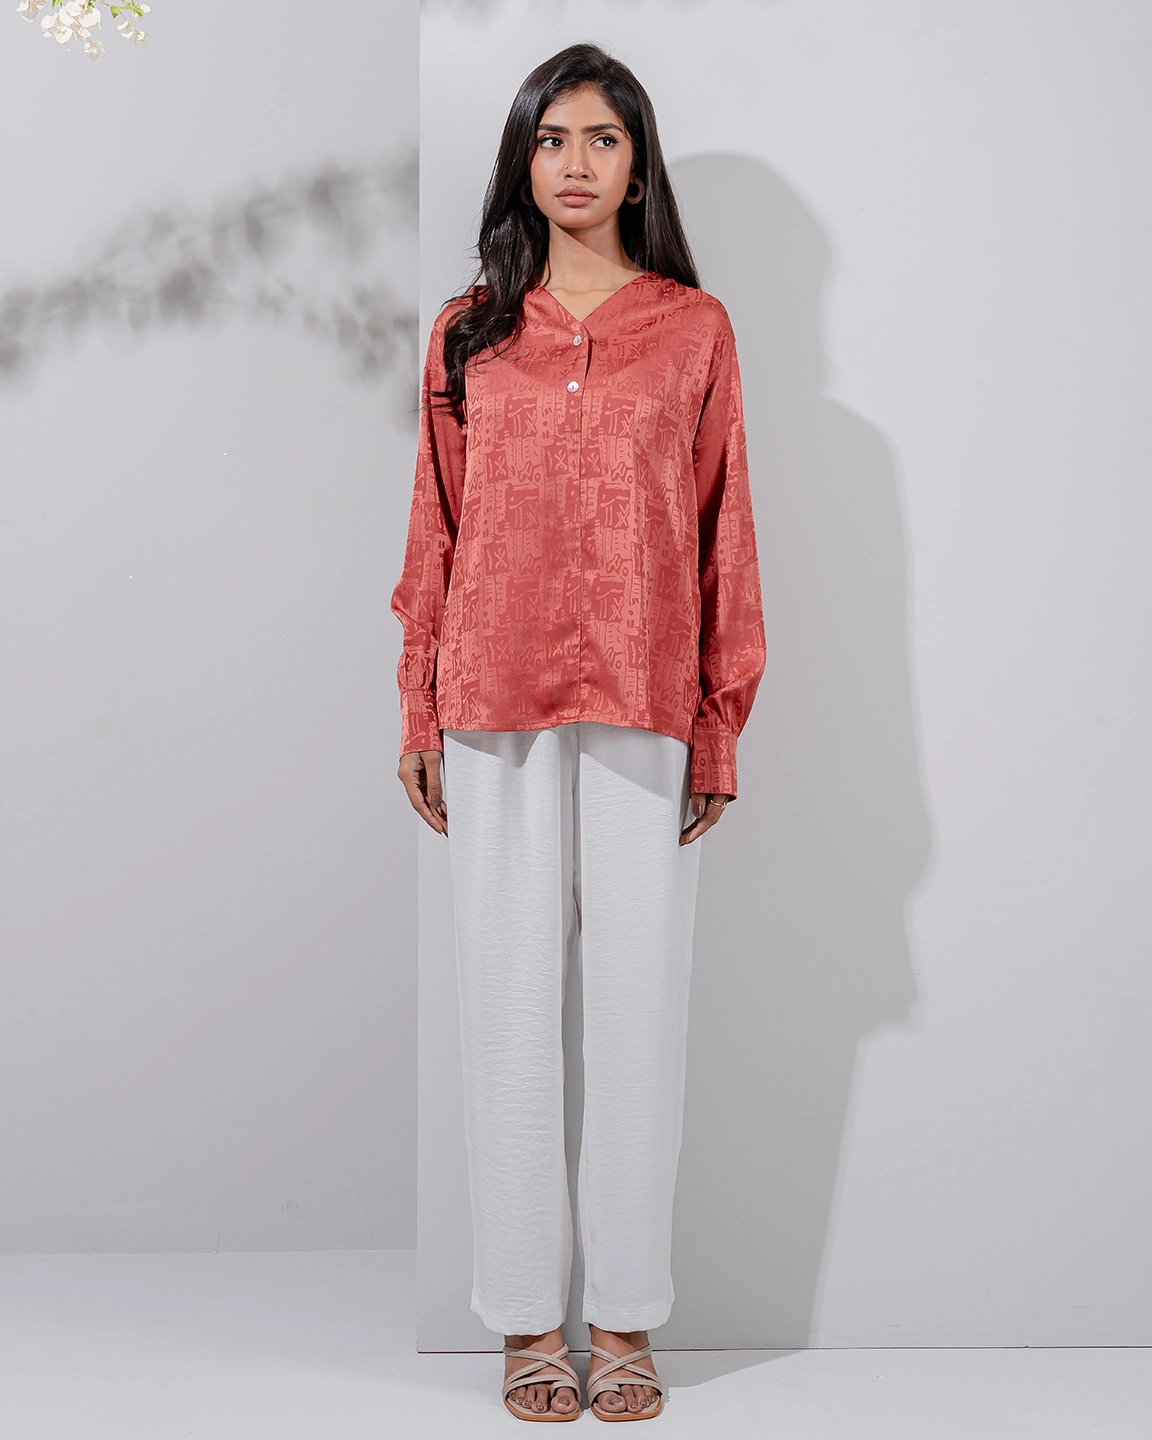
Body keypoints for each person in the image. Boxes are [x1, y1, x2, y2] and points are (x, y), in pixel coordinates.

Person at [390, 42, 765, 1423]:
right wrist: (417, 694)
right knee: (506, 1011)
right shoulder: (468, 332)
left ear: (639, 166)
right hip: (490, 693)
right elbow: (433, 524)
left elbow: (727, 533)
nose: (576, 164)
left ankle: (624, 1318)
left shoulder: (696, 330)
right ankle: (520, 1320)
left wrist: (719, 724)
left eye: (604, 139)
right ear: (522, 160)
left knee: (640, 1011)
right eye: (552, 139)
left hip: (646, 688)